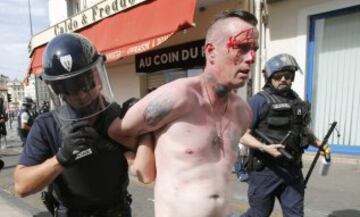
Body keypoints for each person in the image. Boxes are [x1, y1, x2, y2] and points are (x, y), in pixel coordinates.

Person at [108, 9, 259, 217]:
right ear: (211, 52)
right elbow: (118, 131)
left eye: (254, 49)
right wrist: (141, 155)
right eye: (241, 48)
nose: (251, 58)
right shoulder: (178, 97)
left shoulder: (243, 113)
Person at [14, 33, 151, 217]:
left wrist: (143, 131)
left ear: (97, 76)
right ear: (57, 90)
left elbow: (145, 174)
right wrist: (61, 158)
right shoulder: (46, 126)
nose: (82, 95)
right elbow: (21, 186)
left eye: (87, 83)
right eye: (71, 88)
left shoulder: (119, 117)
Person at [239, 53, 331, 217]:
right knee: (259, 214)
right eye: (278, 76)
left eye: (287, 76)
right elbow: (242, 134)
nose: (283, 79)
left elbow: (302, 129)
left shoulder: (296, 100)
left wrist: (320, 144)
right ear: (269, 78)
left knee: (295, 214)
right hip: (265, 171)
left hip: (292, 170)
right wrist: (264, 147)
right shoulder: (258, 101)